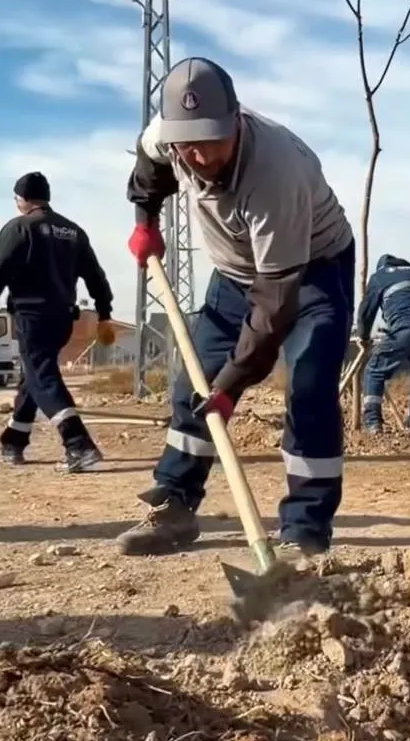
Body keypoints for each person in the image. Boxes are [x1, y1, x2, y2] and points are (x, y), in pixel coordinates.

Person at [117, 56, 354, 558]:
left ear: (236, 120)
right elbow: (149, 164)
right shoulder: (168, 136)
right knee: (192, 382)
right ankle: (175, 505)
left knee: (309, 385)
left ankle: (305, 532)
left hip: (309, 271)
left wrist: (233, 384)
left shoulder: (275, 174)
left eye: (211, 142)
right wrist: (146, 221)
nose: (199, 157)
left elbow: (275, 301)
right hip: (234, 273)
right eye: (188, 145)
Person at [0, 171, 115, 472]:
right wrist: (105, 313)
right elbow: (96, 276)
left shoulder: (19, 228)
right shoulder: (73, 232)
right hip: (62, 320)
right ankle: (13, 441)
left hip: (31, 317)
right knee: (35, 375)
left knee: (42, 377)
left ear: (21, 200)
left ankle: (78, 444)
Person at [356, 254, 410, 433]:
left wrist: (363, 336)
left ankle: (372, 423)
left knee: (375, 370)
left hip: (407, 325)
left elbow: (366, 311)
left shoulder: (380, 276)